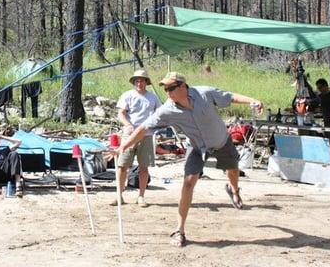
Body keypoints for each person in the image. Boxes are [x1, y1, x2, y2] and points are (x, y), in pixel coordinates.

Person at [109, 72, 264, 247]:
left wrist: (253, 100)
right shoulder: (168, 109)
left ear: (183, 86)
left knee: (233, 171)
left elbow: (230, 96)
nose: (168, 92)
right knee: (188, 183)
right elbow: (144, 128)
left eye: (171, 88)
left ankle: (234, 190)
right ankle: (179, 230)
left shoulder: (204, 93)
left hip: (221, 142)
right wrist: (124, 146)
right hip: (197, 147)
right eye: (166, 89)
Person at [113, 69, 162, 207]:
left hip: (146, 135)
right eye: (137, 80)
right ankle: (119, 195)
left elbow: (159, 113)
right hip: (129, 134)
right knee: (122, 165)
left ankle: (141, 196)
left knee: (143, 167)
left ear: (146, 82)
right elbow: (121, 113)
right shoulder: (127, 95)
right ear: (134, 82)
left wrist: (154, 126)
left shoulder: (153, 97)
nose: (139, 83)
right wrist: (128, 124)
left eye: (142, 80)